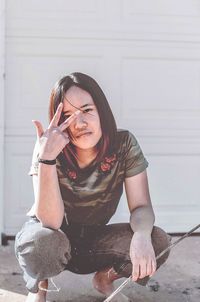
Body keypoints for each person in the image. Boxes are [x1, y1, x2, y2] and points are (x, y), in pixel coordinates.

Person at [15, 72, 170, 302]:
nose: (79, 123)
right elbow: (51, 223)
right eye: (67, 116)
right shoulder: (48, 146)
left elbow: (141, 206)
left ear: (102, 111)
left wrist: (141, 233)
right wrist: (46, 159)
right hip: (52, 236)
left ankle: (104, 279)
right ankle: (40, 288)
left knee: (158, 241)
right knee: (41, 243)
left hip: (94, 239)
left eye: (87, 110)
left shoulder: (124, 144)